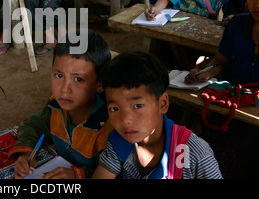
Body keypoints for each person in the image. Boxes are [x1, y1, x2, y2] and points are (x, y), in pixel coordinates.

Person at [92, 51, 222, 179]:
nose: (125, 120)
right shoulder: (119, 141)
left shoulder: (196, 154)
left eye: (137, 106)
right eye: (114, 108)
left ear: (162, 104)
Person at [10, 30, 113, 179]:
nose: (64, 89)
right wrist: (27, 153)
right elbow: (33, 126)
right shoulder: (55, 107)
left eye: (78, 79)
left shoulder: (107, 125)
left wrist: (77, 175)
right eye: (59, 76)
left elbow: (114, 171)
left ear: (100, 84)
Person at [186, 0, 259, 85]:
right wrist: (206, 73)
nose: (257, 4)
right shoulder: (236, 25)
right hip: (233, 94)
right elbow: (220, 61)